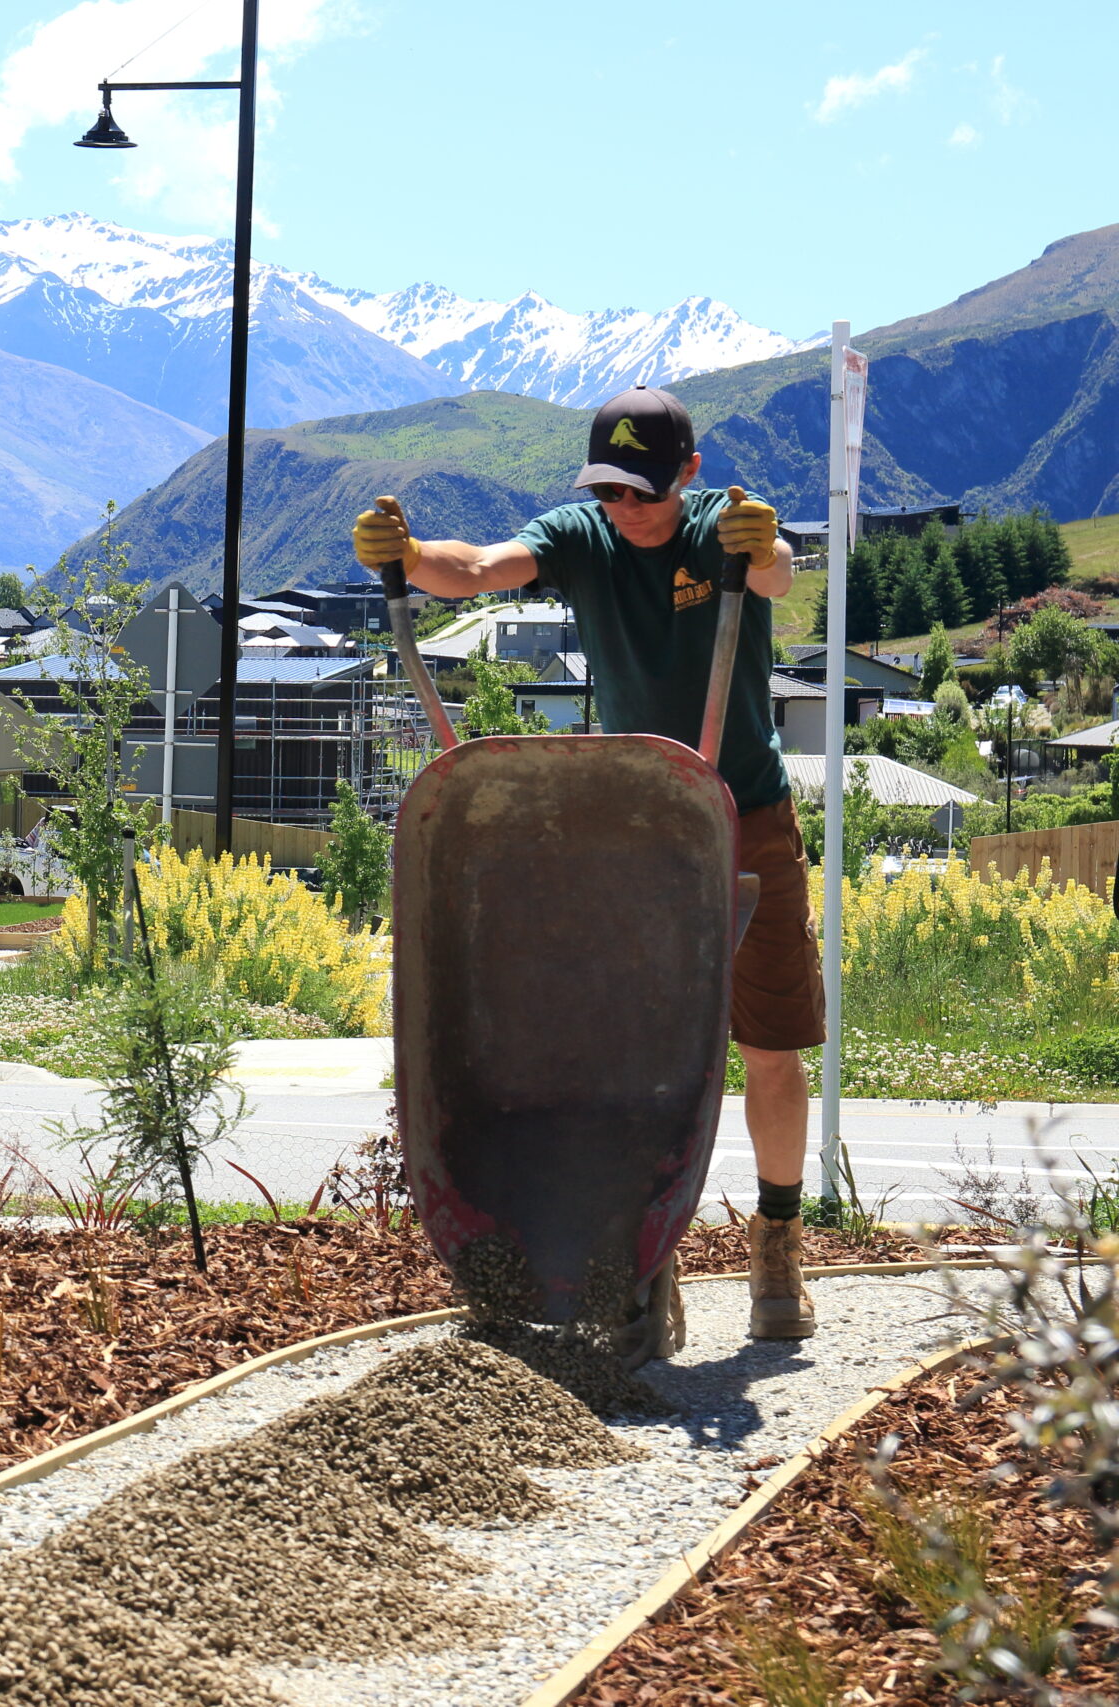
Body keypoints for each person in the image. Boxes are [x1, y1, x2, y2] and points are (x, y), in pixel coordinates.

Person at [352, 384, 820, 1342]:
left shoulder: (721, 535)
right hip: (636, 829)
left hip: (745, 815)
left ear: (686, 475)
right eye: (610, 490)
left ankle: (779, 1239)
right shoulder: (584, 536)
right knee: (636, 1056)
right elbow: (477, 568)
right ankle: (648, 1252)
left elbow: (773, 575)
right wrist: (407, 556)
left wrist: (761, 548)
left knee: (769, 1049)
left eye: (643, 491)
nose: (625, 508)